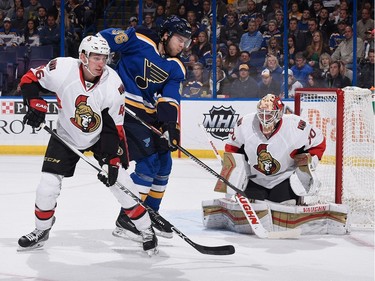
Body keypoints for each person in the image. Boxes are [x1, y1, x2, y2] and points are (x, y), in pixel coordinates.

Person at [17, 35, 158, 255]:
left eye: (105, 58)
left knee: (120, 183)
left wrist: (112, 160)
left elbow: (114, 128)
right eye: (96, 57)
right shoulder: (61, 68)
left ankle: (146, 229)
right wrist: (35, 104)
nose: (101, 63)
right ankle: (41, 230)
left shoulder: (114, 85)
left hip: (101, 136)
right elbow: (29, 79)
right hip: (66, 134)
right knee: (47, 186)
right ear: (83, 56)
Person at [98, 16, 192, 241]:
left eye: (186, 42)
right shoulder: (138, 38)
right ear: (166, 35)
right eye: (180, 40)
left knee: (165, 162)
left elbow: (169, 98)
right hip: (124, 110)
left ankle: (149, 213)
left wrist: (170, 126)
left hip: (149, 116)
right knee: (148, 163)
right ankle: (128, 217)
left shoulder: (176, 66)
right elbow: (102, 40)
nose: (183, 46)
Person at [224, 94, 326, 203]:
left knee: (286, 210)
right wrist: (232, 166)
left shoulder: (296, 126)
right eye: (261, 114)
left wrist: (308, 164)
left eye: (268, 115)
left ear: (279, 114)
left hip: (283, 179)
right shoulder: (245, 123)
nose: (264, 119)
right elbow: (232, 147)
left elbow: (318, 142)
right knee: (249, 210)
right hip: (254, 179)